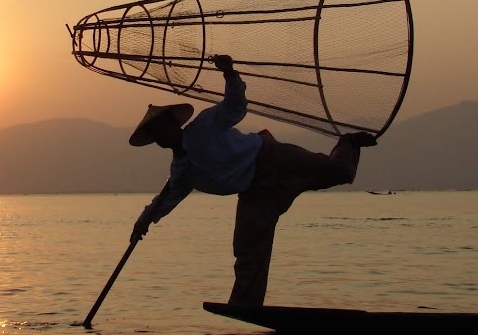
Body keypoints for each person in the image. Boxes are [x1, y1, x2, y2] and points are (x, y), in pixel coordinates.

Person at [128, 54, 377, 307]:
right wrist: (143, 222)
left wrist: (229, 73)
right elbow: (165, 201)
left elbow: (234, 105)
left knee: (339, 171)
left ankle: (348, 143)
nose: (162, 137)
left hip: (270, 157)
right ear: (156, 141)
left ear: (174, 125)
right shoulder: (181, 171)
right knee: (247, 251)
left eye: (164, 128)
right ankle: (245, 306)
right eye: (157, 134)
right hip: (255, 193)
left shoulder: (204, 126)